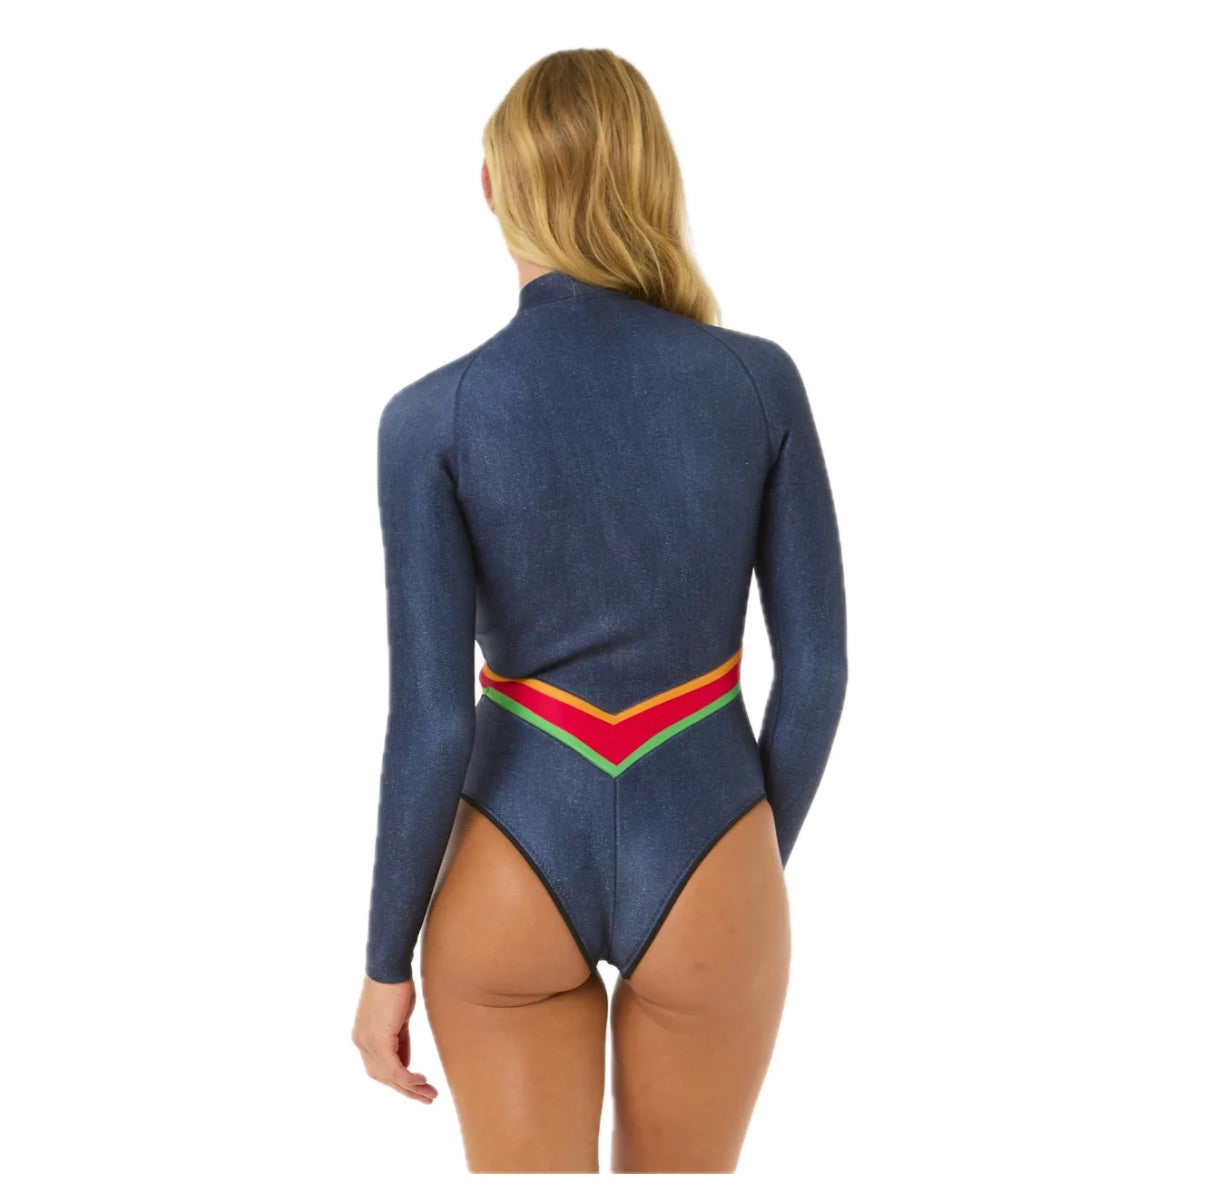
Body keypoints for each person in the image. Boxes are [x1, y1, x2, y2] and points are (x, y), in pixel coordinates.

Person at [351, 47, 848, 1173]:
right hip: (709, 830)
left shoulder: (428, 418)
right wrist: (742, 862)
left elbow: (430, 720)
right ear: (653, 178)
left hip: (510, 850)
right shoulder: (758, 382)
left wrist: (384, 963)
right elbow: (815, 676)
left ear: (493, 185)